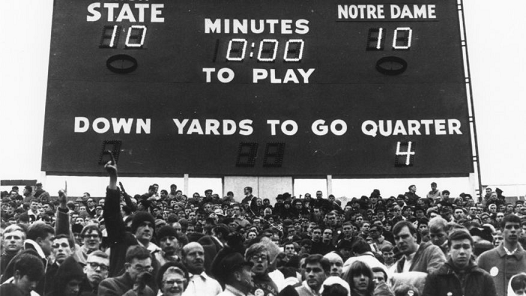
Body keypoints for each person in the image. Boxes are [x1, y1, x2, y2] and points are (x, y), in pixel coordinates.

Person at [422, 229, 497, 296]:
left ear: (472, 250)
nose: (462, 252)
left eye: (466, 247)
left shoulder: (484, 278)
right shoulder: (435, 278)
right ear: (448, 250)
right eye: (457, 247)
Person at [477, 215, 526, 296]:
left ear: (521, 230)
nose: (513, 230)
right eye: (509, 227)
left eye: (516, 227)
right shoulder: (484, 258)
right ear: (502, 230)